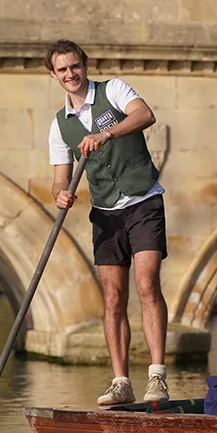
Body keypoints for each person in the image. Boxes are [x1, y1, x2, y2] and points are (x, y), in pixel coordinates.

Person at [46, 39, 170, 407]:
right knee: (113, 297)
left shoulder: (113, 90)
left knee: (147, 284)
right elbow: (59, 177)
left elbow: (145, 115)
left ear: (84, 66)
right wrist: (61, 194)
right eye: (63, 69)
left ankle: (157, 377)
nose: (71, 74)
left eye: (75, 66)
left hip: (143, 199)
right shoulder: (59, 126)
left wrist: (107, 133)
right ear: (53, 75)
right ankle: (121, 382)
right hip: (105, 212)